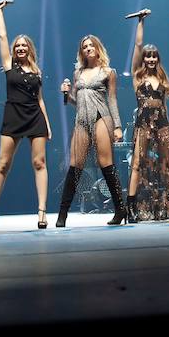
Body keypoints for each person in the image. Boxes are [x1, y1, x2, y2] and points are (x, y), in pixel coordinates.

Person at [0, 0, 51, 231]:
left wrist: (48, 125)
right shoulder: (9, 66)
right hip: (13, 114)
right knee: (3, 164)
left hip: (35, 116)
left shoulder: (37, 71)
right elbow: (2, 38)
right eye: (17, 46)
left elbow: (40, 99)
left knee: (39, 162)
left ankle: (42, 213)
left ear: (29, 49)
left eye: (24, 46)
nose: (20, 48)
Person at [57, 35, 126, 227]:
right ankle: (62, 213)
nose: (88, 49)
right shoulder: (77, 73)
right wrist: (66, 94)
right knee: (75, 165)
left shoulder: (108, 72)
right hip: (81, 119)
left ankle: (120, 209)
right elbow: (76, 102)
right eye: (84, 47)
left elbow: (112, 100)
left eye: (91, 46)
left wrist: (118, 126)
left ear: (97, 48)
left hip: (101, 117)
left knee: (105, 163)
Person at [126, 10, 169, 222]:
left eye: (153, 55)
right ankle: (132, 209)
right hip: (142, 125)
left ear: (158, 58)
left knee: (166, 165)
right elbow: (138, 46)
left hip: (163, 125)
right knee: (138, 164)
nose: (150, 58)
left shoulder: (163, 79)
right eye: (147, 56)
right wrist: (141, 22)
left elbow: (164, 106)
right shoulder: (137, 77)